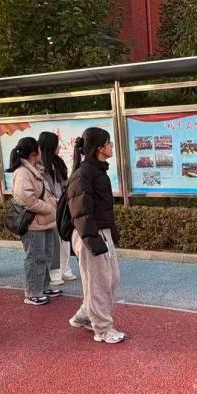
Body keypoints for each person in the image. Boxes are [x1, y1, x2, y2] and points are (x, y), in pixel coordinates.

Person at [66, 127, 125, 344]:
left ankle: (84, 315)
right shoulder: (84, 174)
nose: (111, 147)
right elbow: (81, 213)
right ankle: (102, 329)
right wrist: (94, 241)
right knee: (99, 283)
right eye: (109, 143)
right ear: (100, 148)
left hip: (100, 232)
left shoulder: (97, 171)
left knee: (110, 280)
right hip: (90, 234)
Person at [9, 137, 59, 306]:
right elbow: (27, 199)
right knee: (35, 258)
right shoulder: (23, 173)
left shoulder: (34, 170)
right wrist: (49, 207)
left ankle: (43, 287)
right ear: (33, 153)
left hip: (44, 220)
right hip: (34, 223)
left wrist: (51, 203)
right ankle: (32, 292)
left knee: (46, 256)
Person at [39, 131, 76, 286]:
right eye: (56, 144)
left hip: (62, 204)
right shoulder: (39, 165)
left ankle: (65, 269)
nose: (59, 147)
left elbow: (64, 182)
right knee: (54, 241)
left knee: (65, 238)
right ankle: (54, 273)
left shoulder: (58, 162)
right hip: (49, 206)